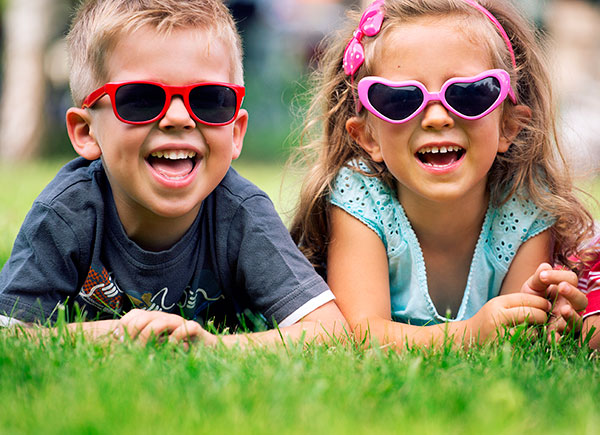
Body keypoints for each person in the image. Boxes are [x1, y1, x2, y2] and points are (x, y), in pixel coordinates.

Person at [0, 0, 347, 346]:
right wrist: (109, 335)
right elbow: (11, 334)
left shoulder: (242, 214)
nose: (179, 118)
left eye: (210, 99)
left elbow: (329, 332)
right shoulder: (65, 213)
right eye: (140, 99)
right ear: (85, 133)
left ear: (236, 132)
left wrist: (215, 347)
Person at [290, 0, 594, 349]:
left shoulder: (526, 203)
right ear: (368, 136)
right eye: (399, 99)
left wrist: (537, 314)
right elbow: (359, 333)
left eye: (469, 94)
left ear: (509, 126)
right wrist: (469, 335)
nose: (436, 118)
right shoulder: (360, 195)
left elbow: (516, 337)